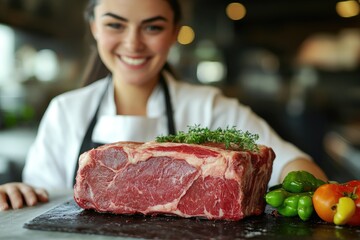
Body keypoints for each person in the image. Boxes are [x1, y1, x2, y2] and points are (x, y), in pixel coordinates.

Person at [0, 0, 327, 211]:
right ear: (94, 28)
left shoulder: (207, 106)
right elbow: (37, 197)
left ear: (173, 33)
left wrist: (316, 196)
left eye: (152, 27)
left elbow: (294, 163)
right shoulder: (66, 111)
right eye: (115, 24)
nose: (133, 43)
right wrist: (16, 193)